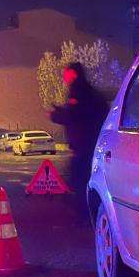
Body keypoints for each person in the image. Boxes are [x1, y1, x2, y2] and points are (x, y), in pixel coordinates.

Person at [49, 63, 109, 208]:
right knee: (84, 179)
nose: (64, 77)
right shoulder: (87, 91)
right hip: (91, 143)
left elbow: (74, 115)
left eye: (66, 73)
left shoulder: (78, 91)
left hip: (84, 146)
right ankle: (85, 212)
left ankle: (84, 216)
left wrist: (56, 115)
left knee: (80, 181)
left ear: (74, 74)